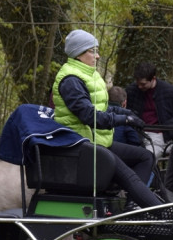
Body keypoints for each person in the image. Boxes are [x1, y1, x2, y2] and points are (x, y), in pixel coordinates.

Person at [52, 29, 162, 208]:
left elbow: (100, 108)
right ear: (79, 54)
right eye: (92, 51)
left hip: (99, 141)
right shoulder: (71, 79)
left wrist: (127, 114)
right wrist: (124, 121)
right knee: (129, 177)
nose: (97, 56)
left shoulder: (88, 74)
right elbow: (89, 116)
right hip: (82, 144)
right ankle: (156, 213)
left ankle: (132, 206)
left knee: (145, 157)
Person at [125, 62, 173, 158]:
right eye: (137, 83)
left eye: (143, 84)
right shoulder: (131, 90)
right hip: (135, 134)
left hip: (159, 136)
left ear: (153, 79)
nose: (139, 86)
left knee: (145, 157)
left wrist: (170, 133)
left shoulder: (170, 92)